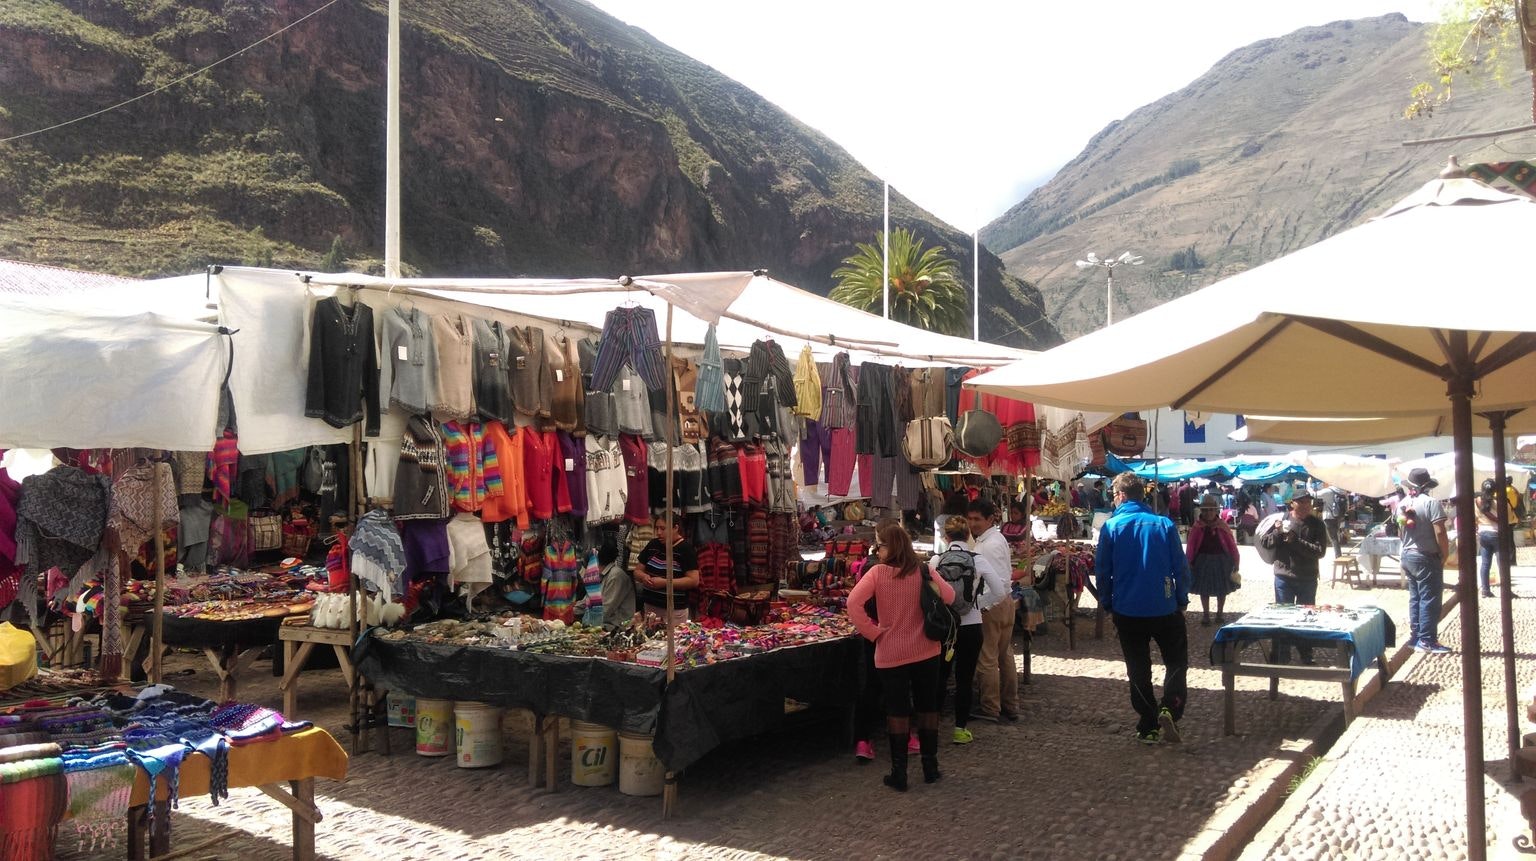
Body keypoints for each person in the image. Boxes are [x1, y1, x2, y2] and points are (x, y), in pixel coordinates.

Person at [847, 523, 955, 790]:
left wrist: (873, 632)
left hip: (891, 652)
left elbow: (852, 604)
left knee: (898, 711)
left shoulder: (877, 574)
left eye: (879, 545)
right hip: (926, 650)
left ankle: (900, 772)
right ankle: (930, 766)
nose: (877, 550)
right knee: (927, 707)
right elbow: (950, 597)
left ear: (890, 546)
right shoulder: (923, 569)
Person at [1095, 472, 1190, 745]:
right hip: (1165, 605)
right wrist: (1181, 599)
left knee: (1137, 668)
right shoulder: (1164, 525)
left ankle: (1148, 724)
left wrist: (1108, 603)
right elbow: (1180, 567)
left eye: (1113, 496)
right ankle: (1170, 706)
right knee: (1176, 661)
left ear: (1121, 496)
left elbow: (1103, 571)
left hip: (1127, 609)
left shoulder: (1112, 527)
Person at [931, 516, 1008, 745]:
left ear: (946, 537)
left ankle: (932, 727)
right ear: (968, 536)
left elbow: (929, 593)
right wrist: (978, 604)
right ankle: (960, 729)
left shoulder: (936, 561)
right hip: (971, 625)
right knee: (965, 678)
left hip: (946, 626)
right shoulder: (979, 560)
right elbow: (1000, 591)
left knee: (940, 677)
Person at [968, 499, 1020, 722]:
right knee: (1004, 655)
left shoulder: (985, 546)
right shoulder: (997, 539)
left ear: (990, 519)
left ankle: (990, 707)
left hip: (993, 603)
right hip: (1006, 601)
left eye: (977, 519)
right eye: (970, 519)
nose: (972, 523)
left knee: (988, 658)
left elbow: (990, 582)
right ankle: (1010, 705)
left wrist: (982, 605)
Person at [1262, 493, 1327, 664]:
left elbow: (1320, 552)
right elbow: (1266, 543)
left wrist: (1295, 541)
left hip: (1307, 577)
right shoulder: (1281, 520)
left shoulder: (1317, 524)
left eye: (1308, 502)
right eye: (1302, 502)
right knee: (1283, 615)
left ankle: (1306, 654)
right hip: (1284, 577)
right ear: (1293, 504)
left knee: (1306, 617)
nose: (1306, 505)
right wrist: (1277, 532)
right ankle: (1281, 654)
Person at [1398, 468, 1450, 654]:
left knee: (1416, 597)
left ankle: (1416, 636)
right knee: (1430, 599)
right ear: (1427, 486)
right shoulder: (1431, 503)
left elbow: (1400, 532)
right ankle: (1427, 640)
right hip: (1426, 555)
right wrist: (1444, 554)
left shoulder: (1402, 504)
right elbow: (1440, 532)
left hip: (1407, 554)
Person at [633, 510, 699, 625]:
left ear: (675, 528)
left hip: (674, 611)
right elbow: (637, 571)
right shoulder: (653, 545)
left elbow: (693, 580)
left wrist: (665, 583)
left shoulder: (685, 550)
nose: (658, 532)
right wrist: (643, 577)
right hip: (650, 608)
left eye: (663, 529)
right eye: (657, 528)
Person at [1186, 493, 1239, 626]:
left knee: (1222, 589)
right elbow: (1191, 546)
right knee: (1204, 589)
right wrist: (1189, 562)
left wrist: (1236, 561)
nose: (1208, 513)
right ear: (1202, 511)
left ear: (1216, 510)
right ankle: (1206, 614)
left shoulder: (1222, 526)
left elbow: (1231, 544)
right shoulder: (1197, 527)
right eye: (1205, 510)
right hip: (1202, 561)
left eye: (1211, 509)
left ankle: (1220, 613)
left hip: (1222, 560)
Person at [599, 536, 635, 628]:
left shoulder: (616, 576)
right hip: (605, 621)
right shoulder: (603, 574)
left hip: (616, 625)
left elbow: (607, 609)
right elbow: (588, 600)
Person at [1476, 479, 1501, 600]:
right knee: (1502, 562)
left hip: (1483, 533)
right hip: (1496, 533)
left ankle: (1485, 590)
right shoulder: (1498, 502)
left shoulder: (1476, 501)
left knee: (1485, 563)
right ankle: (1506, 589)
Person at [1313, 484, 1344, 557]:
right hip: (1338, 516)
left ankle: (1338, 555)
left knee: (1333, 537)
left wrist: (1308, 484)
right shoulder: (1341, 491)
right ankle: (1338, 553)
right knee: (1335, 535)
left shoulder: (1328, 491)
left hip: (1329, 516)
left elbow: (1314, 495)